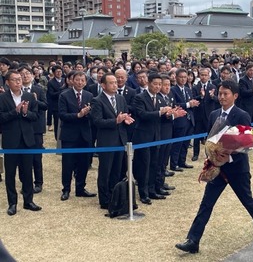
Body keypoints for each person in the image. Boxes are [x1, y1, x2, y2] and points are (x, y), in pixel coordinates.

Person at [175, 80, 253, 254]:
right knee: (206, 204)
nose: (222, 97)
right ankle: (193, 240)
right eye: (220, 93)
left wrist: (229, 156)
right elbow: (210, 139)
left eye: (226, 93)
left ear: (235, 96)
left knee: (247, 200)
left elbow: (246, 144)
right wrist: (212, 156)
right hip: (217, 168)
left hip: (237, 169)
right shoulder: (214, 115)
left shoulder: (242, 115)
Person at [0, 70, 41, 216]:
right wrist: (15, 112)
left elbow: (35, 116)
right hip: (11, 142)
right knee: (10, 174)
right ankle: (12, 203)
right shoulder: (2, 98)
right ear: (7, 82)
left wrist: (24, 112)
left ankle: (28, 201)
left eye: (20, 79)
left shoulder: (29, 96)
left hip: (27, 141)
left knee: (27, 173)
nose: (19, 82)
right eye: (15, 79)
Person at [91, 73, 134, 209]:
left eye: (116, 82)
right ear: (103, 85)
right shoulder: (97, 100)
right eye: (111, 83)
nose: (115, 85)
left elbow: (124, 113)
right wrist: (115, 121)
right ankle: (104, 199)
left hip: (121, 139)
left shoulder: (120, 98)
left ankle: (115, 196)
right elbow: (97, 121)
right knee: (105, 171)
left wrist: (125, 119)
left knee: (117, 170)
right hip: (107, 141)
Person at [132, 73, 173, 204]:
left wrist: (168, 115)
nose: (157, 87)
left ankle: (152, 190)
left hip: (157, 137)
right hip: (143, 137)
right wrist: (159, 113)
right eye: (155, 84)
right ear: (149, 83)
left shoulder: (160, 99)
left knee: (154, 164)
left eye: (159, 84)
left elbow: (160, 118)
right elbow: (142, 114)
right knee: (144, 165)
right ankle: (143, 193)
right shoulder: (140, 97)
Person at [58, 71, 96, 201]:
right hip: (69, 134)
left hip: (85, 134)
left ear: (85, 82)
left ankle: (80, 188)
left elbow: (94, 115)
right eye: (77, 80)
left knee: (83, 163)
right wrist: (78, 115)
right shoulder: (64, 95)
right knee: (67, 163)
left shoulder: (89, 95)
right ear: (72, 81)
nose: (80, 82)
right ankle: (66, 189)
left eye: (82, 80)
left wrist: (87, 113)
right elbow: (62, 115)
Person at [19, 66, 47, 193]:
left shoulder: (38, 89)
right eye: (22, 74)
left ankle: (38, 182)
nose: (25, 76)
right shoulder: (15, 91)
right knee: (22, 158)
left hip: (36, 128)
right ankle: (25, 183)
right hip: (20, 128)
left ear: (32, 75)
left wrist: (35, 100)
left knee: (36, 157)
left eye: (27, 73)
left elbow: (45, 106)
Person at [191, 68, 218, 161]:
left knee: (210, 136)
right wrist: (201, 96)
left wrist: (212, 96)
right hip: (198, 114)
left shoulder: (213, 87)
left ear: (209, 76)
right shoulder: (195, 87)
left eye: (205, 75)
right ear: (199, 76)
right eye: (202, 75)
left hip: (209, 115)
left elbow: (217, 99)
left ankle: (209, 154)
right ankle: (195, 154)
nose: (204, 77)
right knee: (197, 136)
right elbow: (193, 99)